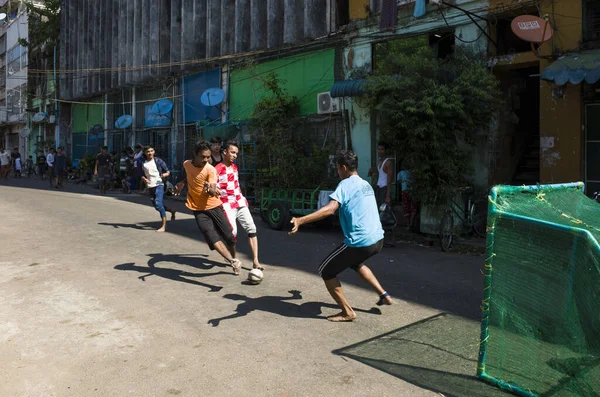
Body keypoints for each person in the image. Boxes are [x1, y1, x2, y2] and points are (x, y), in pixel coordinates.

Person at [289, 150, 393, 322]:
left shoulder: (345, 185)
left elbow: (330, 209)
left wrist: (301, 220)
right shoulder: (365, 184)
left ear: (344, 168)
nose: (338, 173)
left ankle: (347, 312)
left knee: (326, 270)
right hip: (378, 239)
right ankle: (384, 294)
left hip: (360, 242)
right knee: (356, 263)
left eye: (338, 169)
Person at [174, 140, 242, 275]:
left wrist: (210, 189)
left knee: (229, 236)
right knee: (211, 236)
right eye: (203, 157)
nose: (206, 160)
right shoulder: (186, 164)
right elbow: (190, 175)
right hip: (197, 208)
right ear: (195, 154)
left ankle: (234, 256)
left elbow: (211, 188)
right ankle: (232, 262)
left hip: (214, 206)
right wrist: (181, 183)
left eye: (208, 157)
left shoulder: (210, 169)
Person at [215, 140, 264, 270]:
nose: (235, 155)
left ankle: (256, 262)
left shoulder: (235, 167)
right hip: (226, 204)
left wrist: (241, 198)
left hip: (240, 202)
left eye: (236, 153)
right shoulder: (217, 169)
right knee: (232, 234)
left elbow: (236, 185)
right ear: (224, 152)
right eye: (232, 152)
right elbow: (211, 186)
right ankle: (233, 260)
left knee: (252, 229)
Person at [141, 145, 176, 232]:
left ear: (154, 151)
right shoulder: (143, 162)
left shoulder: (158, 161)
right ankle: (171, 210)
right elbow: (141, 174)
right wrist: (144, 178)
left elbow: (168, 171)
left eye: (152, 151)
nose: (150, 153)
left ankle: (164, 226)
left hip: (159, 184)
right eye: (148, 151)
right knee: (157, 206)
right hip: (150, 186)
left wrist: (164, 174)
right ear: (145, 153)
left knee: (158, 204)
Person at [375, 142, 393, 208]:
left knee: (385, 211)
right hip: (378, 189)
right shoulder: (379, 161)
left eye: (382, 149)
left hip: (384, 189)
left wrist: (387, 196)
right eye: (378, 149)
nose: (380, 151)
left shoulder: (388, 163)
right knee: (378, 210)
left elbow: (389, 179)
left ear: (385, 150)